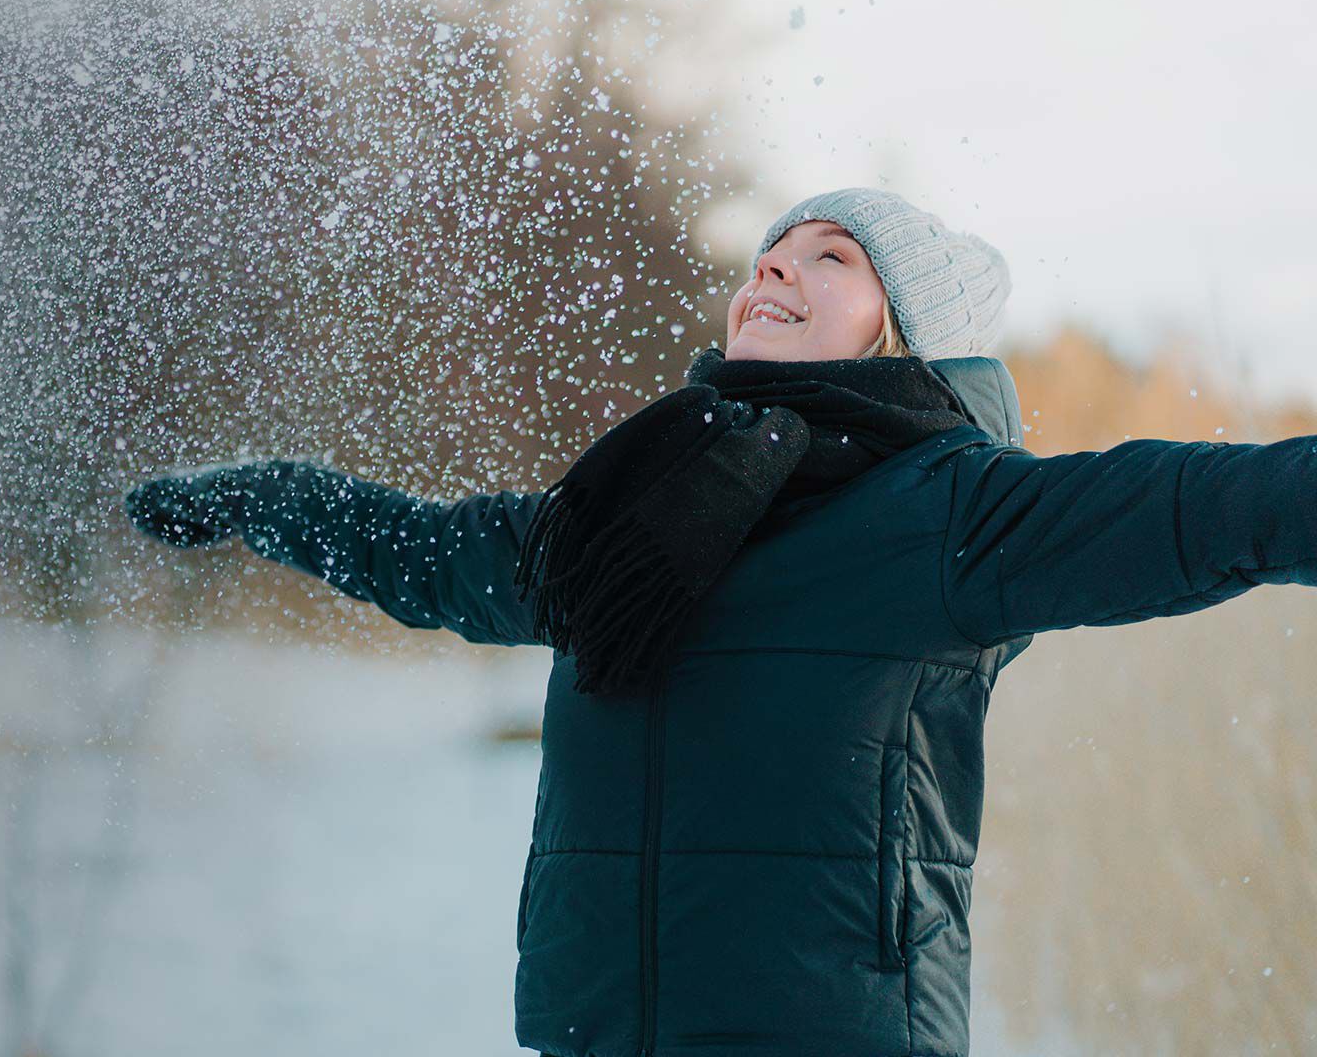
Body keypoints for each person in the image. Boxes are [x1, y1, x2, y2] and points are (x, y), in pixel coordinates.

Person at [123, 187, 1317, 1056]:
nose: (774, 272)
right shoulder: (626, 521)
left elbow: (1202, 505)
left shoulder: (952, 514)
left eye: (831, 257)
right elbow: (429, 554)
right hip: (600, 1031)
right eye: (769, 254)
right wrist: (263, 496)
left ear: (900, 330)